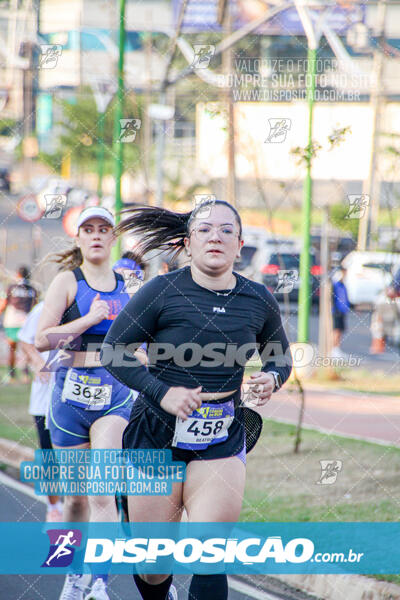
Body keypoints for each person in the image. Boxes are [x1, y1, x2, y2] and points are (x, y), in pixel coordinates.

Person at [101, 199, 292, 600]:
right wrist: (162, 391)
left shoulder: (258, 299)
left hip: (221, 435)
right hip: (155, 434)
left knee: (210, 551)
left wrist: (271, 378)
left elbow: (280, 357)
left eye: (227, 230)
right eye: (204, 229)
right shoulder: (160, 291)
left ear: (240, 245)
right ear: (188, 244)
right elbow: (113, 349)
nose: (216, 236)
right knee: (154, 567)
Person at [35, 206, 141, 600]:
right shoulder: (67, 280)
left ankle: (99, 582)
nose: (96, 235)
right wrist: (87, 319)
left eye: (104, 229)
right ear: (78, 238)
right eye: (88, 229)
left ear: (114, 239)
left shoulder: (128, 285)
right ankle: (73, 574)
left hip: (113, 397)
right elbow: (42, 339)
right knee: (76, 499)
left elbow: (140, 341)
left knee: (102, 492)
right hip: (69, 400)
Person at [18, 300, 63, 521]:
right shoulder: (44, 308)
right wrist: (36, 361)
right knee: (50, 457)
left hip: (75, 400)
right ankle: (53, 508)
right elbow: (25, 339)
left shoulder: (90, 307)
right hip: (45, 399)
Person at [0, 265, 37, 382]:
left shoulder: (12, 288)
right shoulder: (32, 289)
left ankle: (12, 375)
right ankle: (25, 374)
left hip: (12, 321)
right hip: (26, 322)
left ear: (18, 274)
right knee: (25, 349)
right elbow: (35, 306)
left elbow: (4, 304)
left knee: (12, 349)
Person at [331, 267, 350, 358]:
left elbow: (345, 298)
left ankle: (337, 348)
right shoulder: (335, 285)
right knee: (336, 331)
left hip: (343, 310)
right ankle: (333, 349)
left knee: (340, 331)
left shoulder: (343, 285)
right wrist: (335, 309)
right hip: (336, 311)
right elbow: (332, 299)